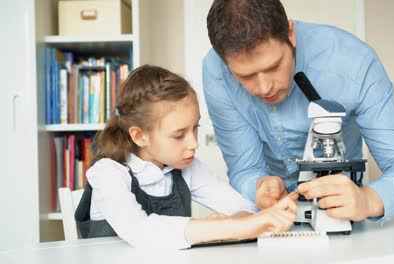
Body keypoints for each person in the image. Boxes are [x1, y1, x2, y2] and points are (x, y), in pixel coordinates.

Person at [203, 0, 394, 223]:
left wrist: (368, 200)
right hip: (270, 222)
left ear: (290, 33)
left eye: (273, 66)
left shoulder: (354, 61)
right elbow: (244, 170)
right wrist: (258, 187)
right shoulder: (215, 71)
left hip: (341, 214)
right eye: (245, 76)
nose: (264, 88)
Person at [74, 65, 298, 249]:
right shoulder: (108, 173)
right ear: (139, 136)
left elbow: (247, 209)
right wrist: (225, 227)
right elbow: (141, 232)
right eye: (179, 135)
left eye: (195, 128)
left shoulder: (186, 167)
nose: (194, 143)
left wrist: (247, 217)